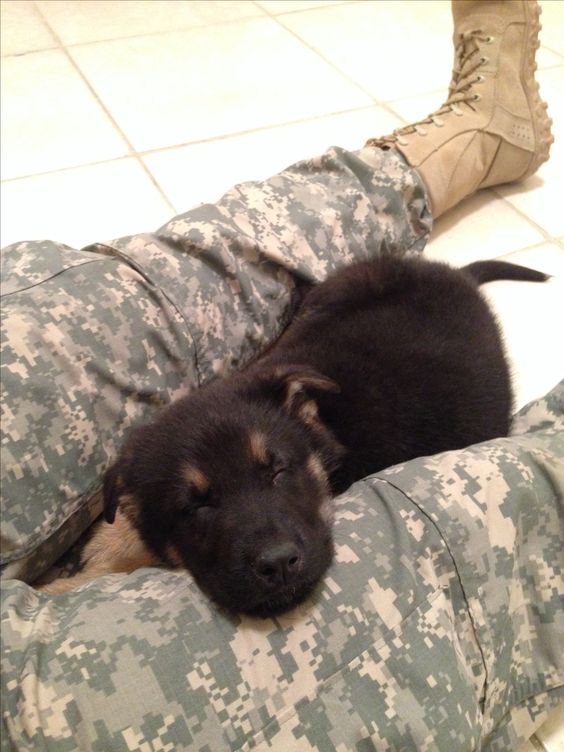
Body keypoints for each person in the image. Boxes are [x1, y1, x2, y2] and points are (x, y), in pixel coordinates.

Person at [1, 2, 561, 751]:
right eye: (196, 509)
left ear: (309, 422)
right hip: (417, 332)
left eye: (278, 475)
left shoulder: (302, 410)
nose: (272, 547)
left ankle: (461, 143)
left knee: (170, 294)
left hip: (399, 297)